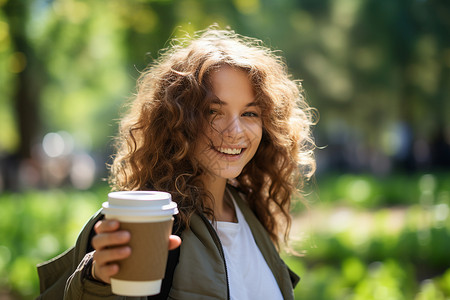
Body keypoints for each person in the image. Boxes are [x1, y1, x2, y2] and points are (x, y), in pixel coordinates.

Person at [36, 26, 316, 299]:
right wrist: (98, 279)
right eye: (213, 111)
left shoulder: (250, 213)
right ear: (177, 121)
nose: (236, 131)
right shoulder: (144, 222)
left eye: (250, 113)